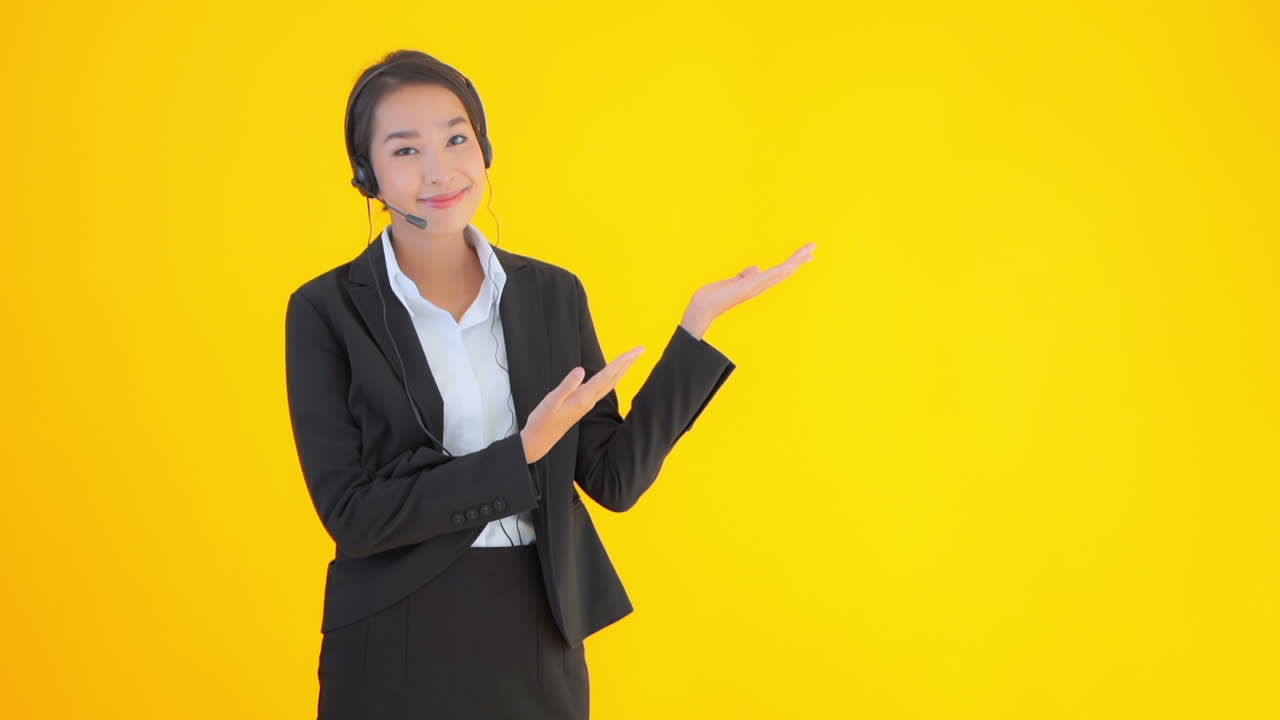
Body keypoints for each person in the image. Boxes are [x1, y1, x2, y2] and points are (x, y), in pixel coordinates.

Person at [284, 49, 816, 719]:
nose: (440, 170)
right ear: (368, 175)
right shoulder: (327, 310)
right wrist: (522, 454)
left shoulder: (552, 294)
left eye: (456, 139)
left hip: (536, 621)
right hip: (395, 630)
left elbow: (612, 480)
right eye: (405, 150)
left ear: (484, 150)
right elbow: (353, 515)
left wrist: (697, 327)